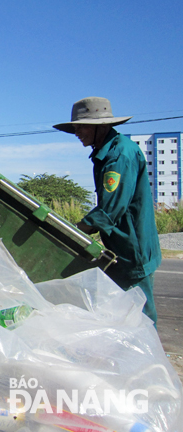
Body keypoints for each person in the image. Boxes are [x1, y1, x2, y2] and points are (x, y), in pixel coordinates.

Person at [53, 97, 162, 324]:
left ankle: (151, 359)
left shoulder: (119, 155)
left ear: (100, 127)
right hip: (121, 246)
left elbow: (110, 210)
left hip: (132, 248)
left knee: (141, 317)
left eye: (81, 126)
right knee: (121, 313)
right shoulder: (106, 152)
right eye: (74, 127)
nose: (76, 132)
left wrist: (74, 231)